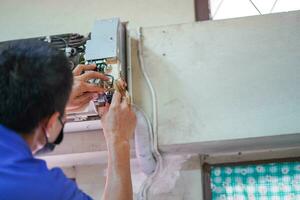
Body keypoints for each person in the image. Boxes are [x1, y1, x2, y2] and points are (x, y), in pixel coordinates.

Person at [0, 40, 136, 200]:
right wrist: (118, 139)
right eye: (63, 118)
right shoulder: (39, 187)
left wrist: (54, 99)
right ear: (51, 123)